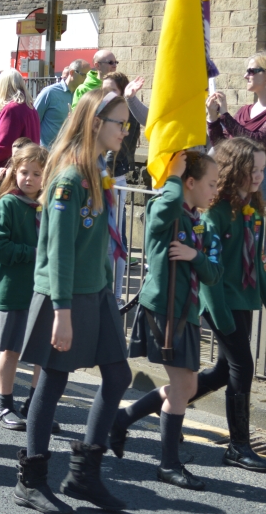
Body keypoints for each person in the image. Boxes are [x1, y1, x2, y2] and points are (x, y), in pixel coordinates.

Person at [114, 137, 266, 475]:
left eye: (262, 170)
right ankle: (237, 446)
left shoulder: (252, 210)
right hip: (202, 306)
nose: (258, 176)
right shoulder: (208, 214)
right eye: (251, 169)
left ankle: (127, 418)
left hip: (238, 301)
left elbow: (244, 263)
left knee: (213, 375)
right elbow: (212, 273)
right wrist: (174, 175)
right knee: (237, 368)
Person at [12, 90, 132, 514]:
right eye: (121, 122)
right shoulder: (68, 180)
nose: (125, 130)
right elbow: (59, 251)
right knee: (53, 382)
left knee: (118, 376)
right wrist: (61, 312)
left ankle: (83, 475)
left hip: (94, 292)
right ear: (96, 124)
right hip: (65, 296)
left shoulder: (95, 170)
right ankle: (32, 479)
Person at [114, 151, 220, 490]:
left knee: (185, 386)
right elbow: (166, 203)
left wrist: (195, 255)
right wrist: (172, 175)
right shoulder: (164, 209)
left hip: (187, 312)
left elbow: (214, 273)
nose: (215, 190)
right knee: (184, 386)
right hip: (164, 310)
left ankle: (122, 419)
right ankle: (168, 463)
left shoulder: (199, 220)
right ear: (189, 183)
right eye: (211, 183)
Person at [0, 144, 63, 433]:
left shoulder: (50, 205)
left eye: (36, 173)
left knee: (42, 352)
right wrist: (34, 252)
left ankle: (35, 405)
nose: (28, 179)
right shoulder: (8, 204)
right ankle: (4, 403)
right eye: (23, 172)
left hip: (43, 291)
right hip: (14, 288)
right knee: (11, 350)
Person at [0, 69, 40, 213]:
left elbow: (3, 147)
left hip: (7, 178)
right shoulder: (30, 107)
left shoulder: (12, 109)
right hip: (24, 174)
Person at [102, 71, 143, 306]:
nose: (105, 94)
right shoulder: (104, 111)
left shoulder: (126, 114)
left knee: (114, 243)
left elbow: (112, 153)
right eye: (103, 89)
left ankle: (116, 296)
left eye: (111, 90)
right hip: (102, 178)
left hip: (113, 180)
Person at [208, 52, 266, 148]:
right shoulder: (244, 111)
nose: (245, 76)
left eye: (251, 71)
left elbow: (256, 142)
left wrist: (225, 115)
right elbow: (221, 145)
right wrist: (212, 118)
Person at [35, 59, 90, 149]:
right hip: (47, 154)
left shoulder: (83, 95)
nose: (87, 79)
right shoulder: (50, 92)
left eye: (88, 76)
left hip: (68, 154)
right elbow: (34, 121)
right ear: (72, 73)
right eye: (84, 75)